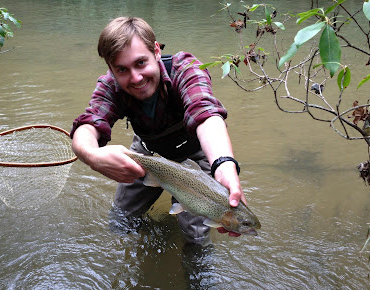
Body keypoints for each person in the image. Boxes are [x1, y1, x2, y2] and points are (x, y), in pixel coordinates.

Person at [70, 16, 246, 245]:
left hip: (198, 152)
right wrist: (92, 156)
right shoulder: (111, 85)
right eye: (122, 69)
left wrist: (223, 163)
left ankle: (198, 275)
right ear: (111, 68)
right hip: (148, 154)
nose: (135, 78)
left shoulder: (186, 68)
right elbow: (88, 124)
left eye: (141, 63)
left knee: (196, 239)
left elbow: (206, 113)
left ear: (155, 50)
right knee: (120, 221)